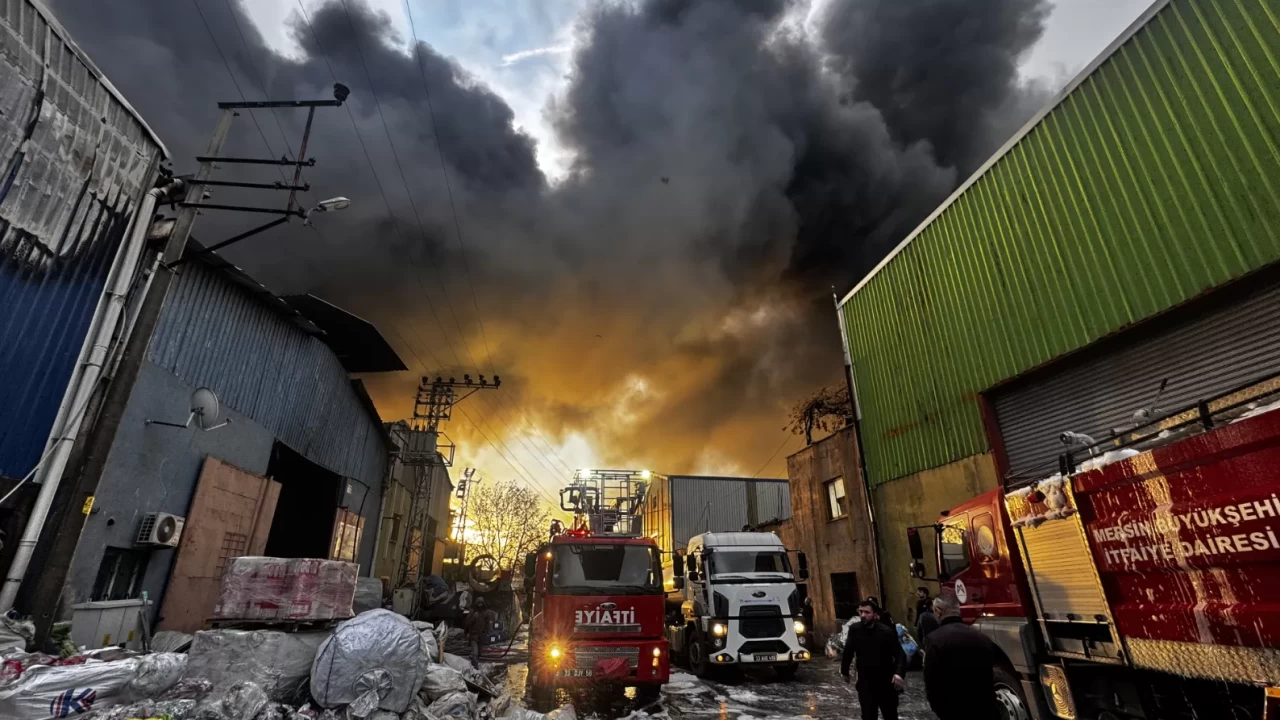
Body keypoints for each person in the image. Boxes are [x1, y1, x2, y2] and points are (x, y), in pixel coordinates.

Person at [922, 593, 998, 720]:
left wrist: (940, 710)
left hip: (954, 709)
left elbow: (932, 681)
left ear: (938, 611)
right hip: (985, 707)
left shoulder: (934, 639)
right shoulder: (981, 637)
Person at [841, 599, 907, 720]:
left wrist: (899, 673)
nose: (863, 615)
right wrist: (844, 671)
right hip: (865, 682)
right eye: (860, 612)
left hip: (885, 682)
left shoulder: (886, 631)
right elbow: (848, 651)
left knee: (890, 714)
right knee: (868, 715)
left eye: (867, 612)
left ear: (874, 614)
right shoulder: (855, 630)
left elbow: (900, 654)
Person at [464, 597, 496, 668]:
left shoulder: (486, 613)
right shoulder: (472, 612)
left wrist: (487, 632)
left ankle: (474, 662)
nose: (480, 605)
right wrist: (473, 618)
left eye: (481, 603)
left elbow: (488, 624)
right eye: (478, 603)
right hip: (473, 635)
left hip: (482, 636)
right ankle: (475, 667)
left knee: (479, 653)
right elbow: (467, 623)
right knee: (475, 652)